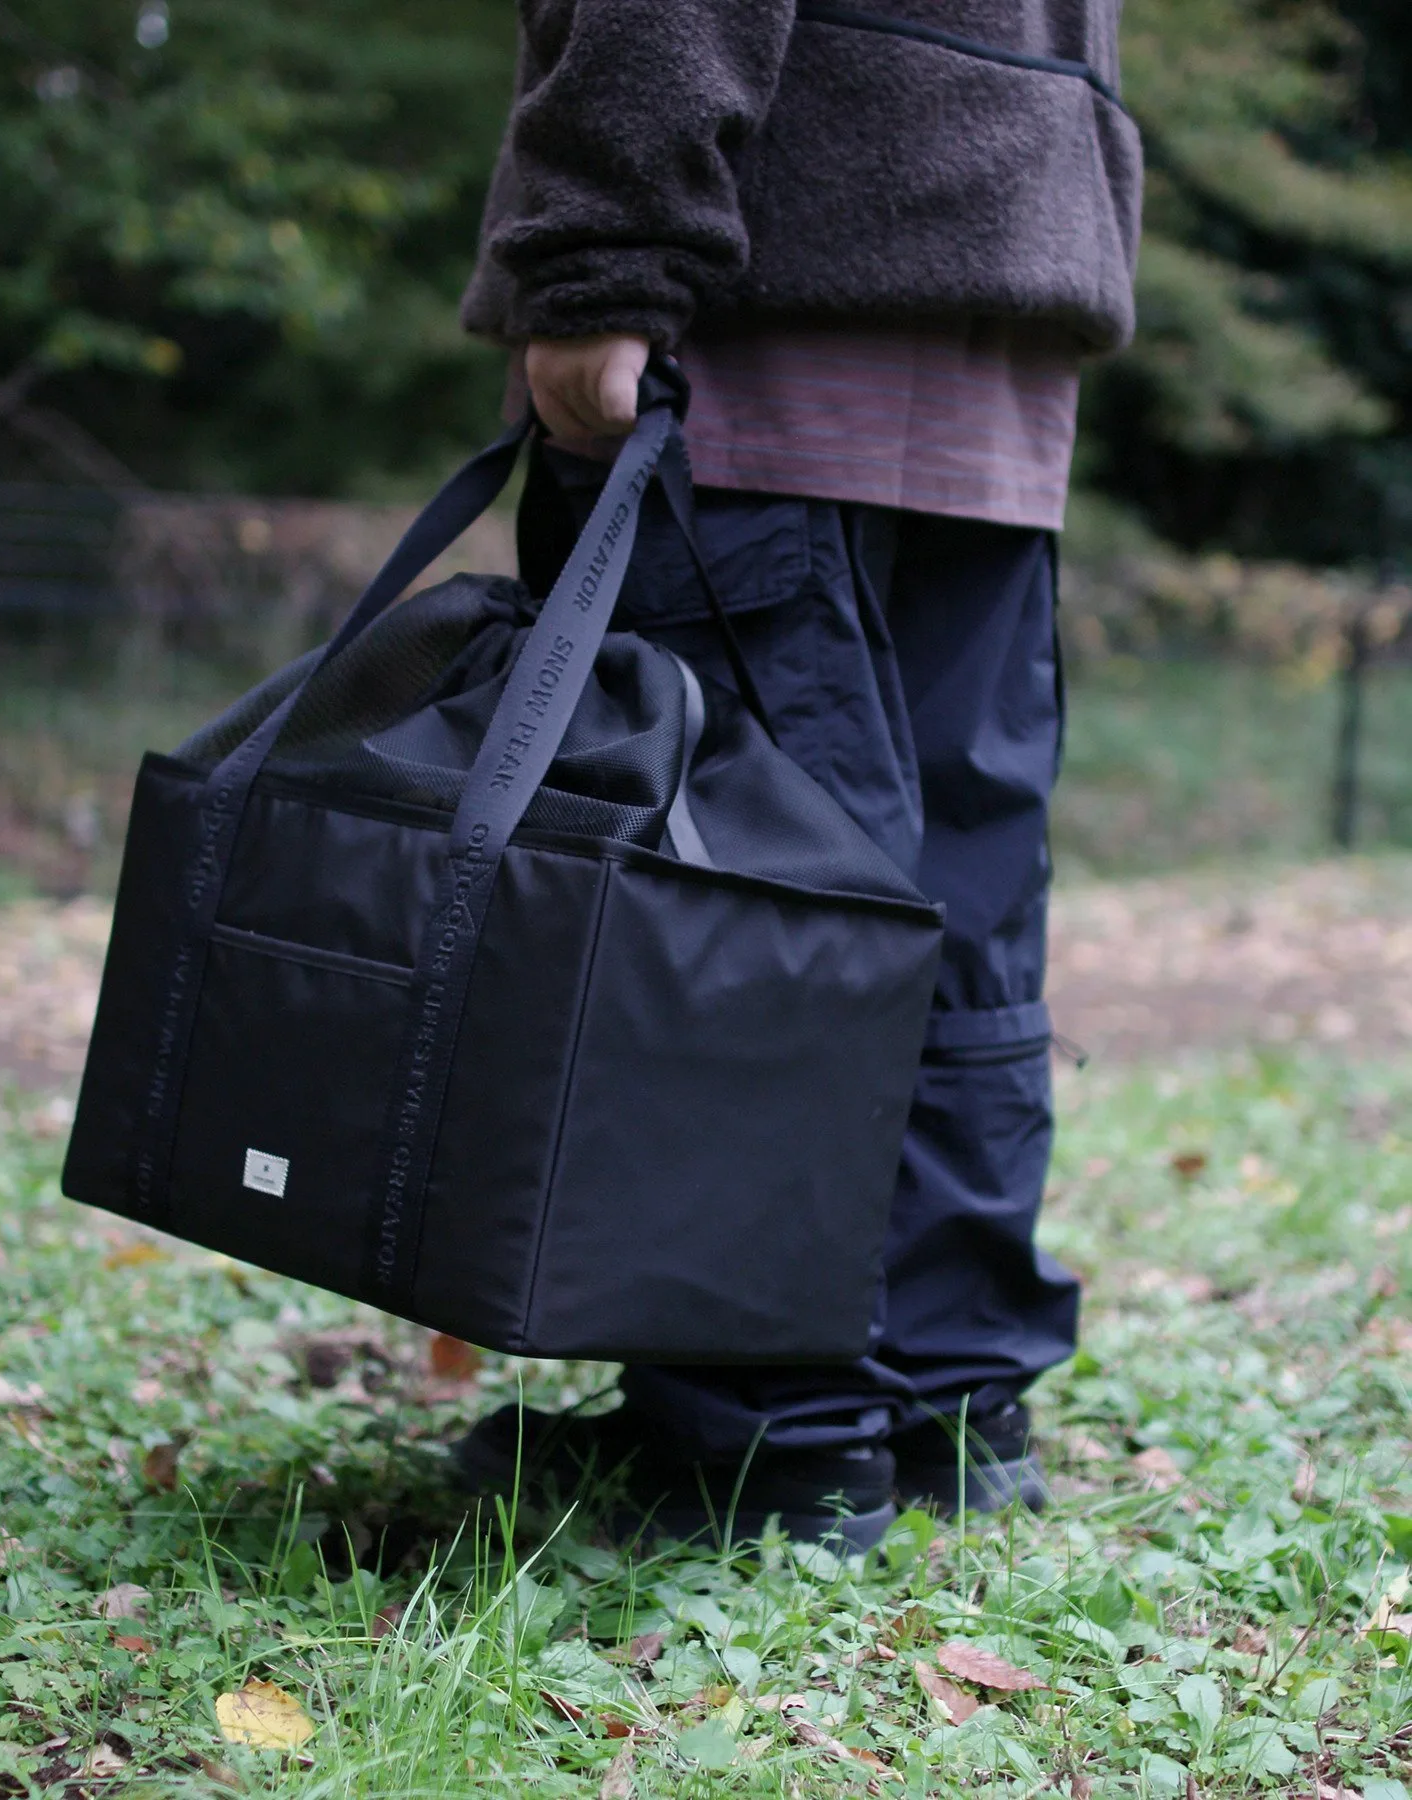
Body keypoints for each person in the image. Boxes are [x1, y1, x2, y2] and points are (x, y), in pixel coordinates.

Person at [449, 0, 1142, 1549]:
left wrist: (605, 248)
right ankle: (950, 1404)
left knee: (740, 906)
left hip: (772, 291)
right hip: (1001, 283)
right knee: (950, 895)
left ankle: (766, 1438)